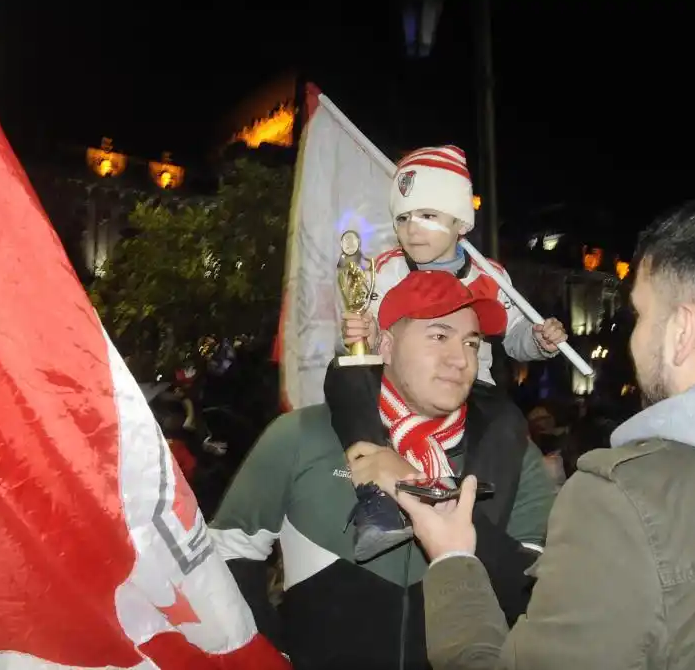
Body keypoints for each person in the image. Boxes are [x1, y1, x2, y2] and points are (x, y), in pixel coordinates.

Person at [394, 181, 695, 669]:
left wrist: (453, 562)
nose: (634, 340)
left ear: (682, 331)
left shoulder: (624, 503)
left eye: (642, 314)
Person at [211, 270, 556, 670]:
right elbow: (228, 550)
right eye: (439, 336)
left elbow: (538, 593)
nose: (461, 359)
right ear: (386, 346)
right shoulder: (302, 435)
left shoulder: (514, 453)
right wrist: (272, 653)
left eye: (471, 342)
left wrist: (420, 486)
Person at [334, 145, 567, 559]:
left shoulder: (491, 276)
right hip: (398, 389)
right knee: (344, 371)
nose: (412, 228)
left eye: (428, 215)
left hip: (472, 388)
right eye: (403, 217)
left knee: (507, 418)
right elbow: (369, 334)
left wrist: (538, 341)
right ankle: (377, 497)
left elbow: (513, 337)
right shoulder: (385, 267)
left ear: (460, 221)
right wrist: (364, 332)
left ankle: (478, 532)